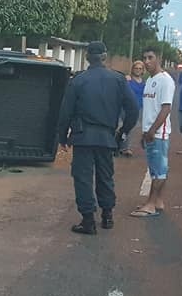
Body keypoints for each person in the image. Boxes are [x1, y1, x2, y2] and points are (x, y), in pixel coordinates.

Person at [55, 41, 140, 234]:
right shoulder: (118, 80)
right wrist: (122, 132)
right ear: (105, 57)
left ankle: (88, 220)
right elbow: (133, 109)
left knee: (83, 178)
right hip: (107, 137)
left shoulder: (78, 80)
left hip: (83, 137)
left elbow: (65, 111)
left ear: (86, 57)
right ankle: (107, 216)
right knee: (105, 176)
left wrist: (62, 136)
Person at [131, 46, 176, 218]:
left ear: (159, 57)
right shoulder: (149, 80)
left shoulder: (165, 81)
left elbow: (166, 109)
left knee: (159, 170)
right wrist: (145, 132)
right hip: (149, 131)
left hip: (158, 134)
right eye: (145, 58)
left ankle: (150, 204)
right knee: (155, 168)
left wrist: (151, 131)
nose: (147, 62)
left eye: (150, 57)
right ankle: (158, 201)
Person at [120, 60, 145, 157]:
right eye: (136, 68)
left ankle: (124, 145)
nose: (138, 70)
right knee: (125, 126)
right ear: (132, 69)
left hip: (138, 108)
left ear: (143, 70)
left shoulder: (144, 83)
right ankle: (124, 147)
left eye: (140, 68)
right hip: (126, 108)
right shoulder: (128, 80)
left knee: (131, 128)